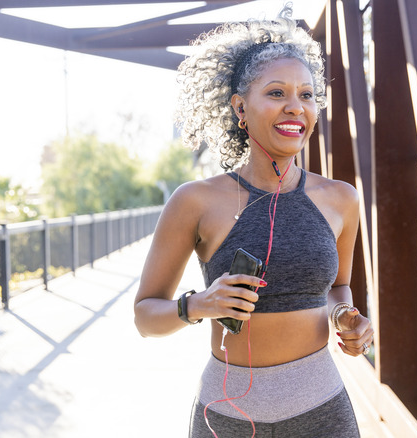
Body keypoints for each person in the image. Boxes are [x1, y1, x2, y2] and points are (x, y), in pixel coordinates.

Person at [133, 6, 373, 438]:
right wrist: (198, 305)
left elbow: (337, 287)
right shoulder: (195, 200)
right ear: (240, 107)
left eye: (306, 95)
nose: (295, 108)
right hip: (227, 415)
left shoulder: (341, 199)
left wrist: (345, 318)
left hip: (321, 408)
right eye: (277, 93)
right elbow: (146, 317)